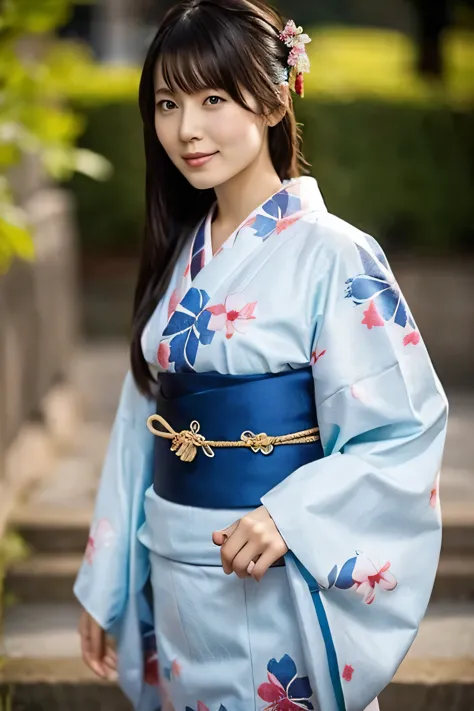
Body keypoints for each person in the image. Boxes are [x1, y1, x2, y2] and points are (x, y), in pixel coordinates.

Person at [74, 2, 448, 710]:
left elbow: (403, 427)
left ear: (276, 98)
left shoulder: (336, 254)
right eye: (166, 102)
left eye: (212, 97)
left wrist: (291, 515)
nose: (186, 128)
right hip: (179, 575)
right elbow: (137, 430)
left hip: (274, 572)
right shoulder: (182, 253)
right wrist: (108, 580)